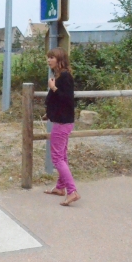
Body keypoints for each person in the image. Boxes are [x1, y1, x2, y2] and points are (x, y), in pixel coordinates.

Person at [43, 47, 80, 206]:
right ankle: (60, 188)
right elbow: (58, 101)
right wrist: (49, 113)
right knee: (62, 156)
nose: (49, 60)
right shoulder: (58, 76)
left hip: (62, 123)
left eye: (52, 57)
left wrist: (53, 88)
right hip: (60, 120)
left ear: (60, 60)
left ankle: (72, 191)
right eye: (48, 57)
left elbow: (68, 100)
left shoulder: (64, 77)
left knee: (57, 158)